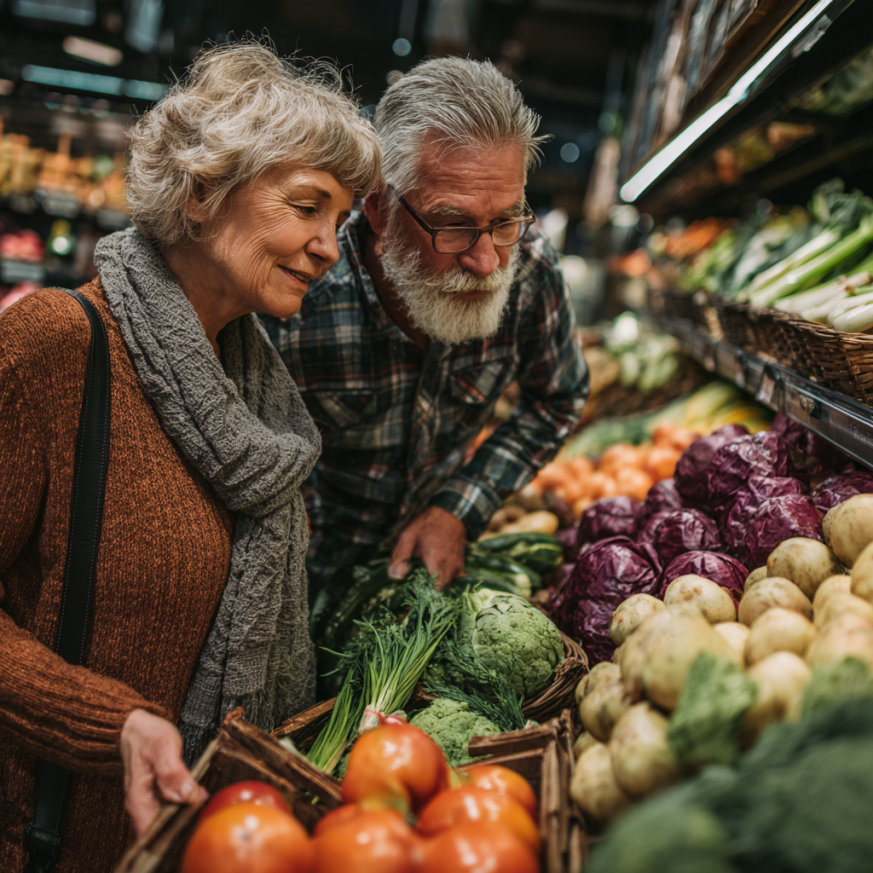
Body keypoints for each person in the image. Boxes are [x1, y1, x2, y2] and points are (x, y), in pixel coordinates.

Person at [0, 41, 379, 872]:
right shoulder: (56, 345)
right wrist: (112, 724)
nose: (328, 246)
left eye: (341, 221)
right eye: (307, 206)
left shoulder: (256, 396)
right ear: (203, 193)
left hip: (195, 844)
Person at [263, 57, 589, 592]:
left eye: (505, 220)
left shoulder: (530, 268)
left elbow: (559, 397)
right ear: (378, 208)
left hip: (432, 581)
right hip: (300, 582)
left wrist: (460, 507)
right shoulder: (299, 293)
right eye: (452, 224)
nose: (487, 261)